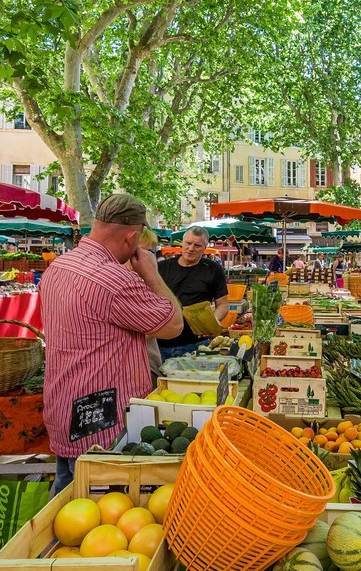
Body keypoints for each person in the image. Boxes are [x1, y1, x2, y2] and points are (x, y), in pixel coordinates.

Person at [40, 193, 184, 492]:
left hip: (63, 405)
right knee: (100, 509)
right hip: (103, 420)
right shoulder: (114, 280)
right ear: (132, 236)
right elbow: (173, 325)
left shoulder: (59, 267)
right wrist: (152, 274)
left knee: (65, 498)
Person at [157, 226, 231, 358]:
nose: (191, 248)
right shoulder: (162, 267)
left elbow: (223, 305)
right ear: (182, 243)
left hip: (196, 343)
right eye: (188, 243)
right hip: (160, 343)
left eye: (197, 245)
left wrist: (212, 322)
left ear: (204, 248)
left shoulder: (213, 269)